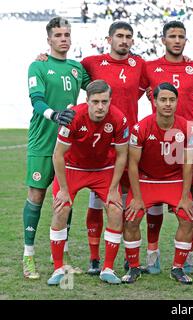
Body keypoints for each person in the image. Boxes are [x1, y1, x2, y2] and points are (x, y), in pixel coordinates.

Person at [80, 21, 149, 275]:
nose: (124, 40)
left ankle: (129, 257)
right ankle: (95, 258)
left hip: (128, 140)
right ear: (109, 39)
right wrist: (43, 57)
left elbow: (158, 81)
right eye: (119, 36)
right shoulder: (91, 63)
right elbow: (69, 71)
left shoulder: (140, 64)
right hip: (98, 142)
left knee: (124, 200)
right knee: (97, 201)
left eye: (128, 36)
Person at [23, 17, 89, 279]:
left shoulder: (76, 68)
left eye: (67, 34)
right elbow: (36, 100)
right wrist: (54, 115)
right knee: (36, 198)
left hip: (68, 145)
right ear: (49, 39)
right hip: (42, 142)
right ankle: (28, 256)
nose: (64, 38)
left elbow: (97, 86)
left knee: (66, 200)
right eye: (58, 35)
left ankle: (61, 254)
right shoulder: (37, 65)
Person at [47, 80, 129, 285]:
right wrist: (63, 190)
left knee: (116, 209)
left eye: (104, 101)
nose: (100, 106)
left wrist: (113, 190)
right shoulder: (73, 116)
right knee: (61, 209)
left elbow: (121, 156)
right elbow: (58, 155)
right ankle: (58, 269)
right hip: (73, 168)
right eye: (95, 102)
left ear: (110, 101)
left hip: (103, 170)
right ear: (87, 101)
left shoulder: (119, 119)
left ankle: (108, 268)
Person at [142, 20, 193, 275]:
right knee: (153, 203)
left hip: (186, 143)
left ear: (186, 40)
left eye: (181, 36)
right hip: (156, 143)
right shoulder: (149, 68)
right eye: (172, 36)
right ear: (163, 40)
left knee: (186, 201)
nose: (177, 40)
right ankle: (152, 253)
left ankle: (186, 255)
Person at [122, 82, 193, 284]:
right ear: (154, 102)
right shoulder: (141, 127)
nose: (167, 104)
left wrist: (184, 196)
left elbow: (189, 163)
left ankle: (177, 268)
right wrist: (137, 198)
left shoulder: (188, 127)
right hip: (146, 180)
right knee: (131, 218)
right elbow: (133, 164)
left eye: (172, 100)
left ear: (177, 102)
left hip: (175, 180)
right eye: (163, 99)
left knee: (187, 217)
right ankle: (134, 267)